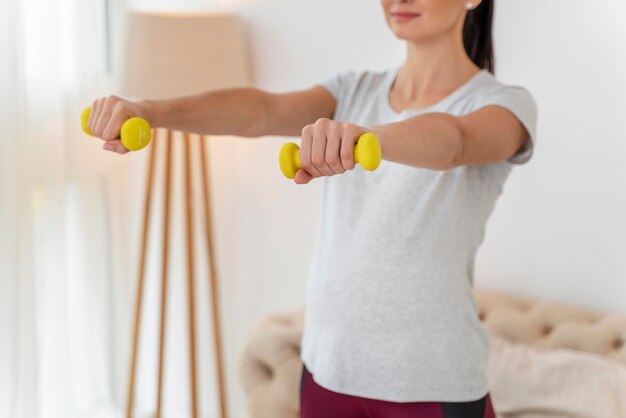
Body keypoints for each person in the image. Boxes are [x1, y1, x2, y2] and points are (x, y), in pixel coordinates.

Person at [88, 0, 537, 416]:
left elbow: (454, 142)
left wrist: (365, 139)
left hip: (433, 385)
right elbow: (262, 110)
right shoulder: (353, 90)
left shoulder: (502, 105)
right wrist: (149, 110)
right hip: (326, 373)